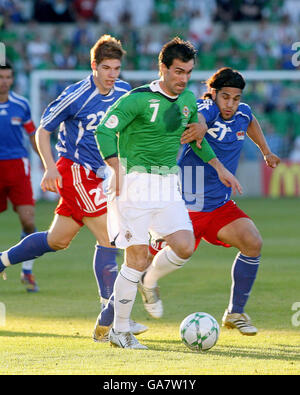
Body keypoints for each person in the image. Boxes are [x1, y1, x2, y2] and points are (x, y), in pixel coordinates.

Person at [95, 38, 242, 349]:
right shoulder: (137, 99)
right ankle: (119, 330)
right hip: (133, 184)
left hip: (167, 185)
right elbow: (104, 131)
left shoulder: (187, 99)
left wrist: (219, 167)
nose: (183, 78)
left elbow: (195, 138)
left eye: (188, 72)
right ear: (162, 68)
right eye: (177, 71)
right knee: (137, 258)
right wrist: (115, 168)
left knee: (185, 245)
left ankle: (149, 281)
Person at [0, 35, 147, 339]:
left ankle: (1, 261)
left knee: (57, 240)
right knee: (111, 239)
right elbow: (43, 132)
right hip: (75, 171)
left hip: (100, 175)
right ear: (94, 66)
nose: (112, 75)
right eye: (106, 68)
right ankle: (113, 318)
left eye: (117, 68)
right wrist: (50, 166)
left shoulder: (123, 90)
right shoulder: (77, 94)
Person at [142, 67, 281, 335]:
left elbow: (250, 120)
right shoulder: (204, 108)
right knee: (164, 256)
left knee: (253, 242)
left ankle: (235, 313)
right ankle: (147, 283)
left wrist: (266, 151)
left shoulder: (243, 112)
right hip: (187, 203)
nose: (230, 104)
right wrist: (205, 126)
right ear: (214, 93)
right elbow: (200, 123)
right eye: (225, 97)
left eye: (236, 98)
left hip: (218, 205)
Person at [0, 62, 39, 292]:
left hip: (17, 167)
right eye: (1, 77)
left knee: (29, 221)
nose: (4, 81)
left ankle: (27, 271)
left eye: (7, 77)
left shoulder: (21, 105)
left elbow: (33, 134)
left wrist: (47, 163)